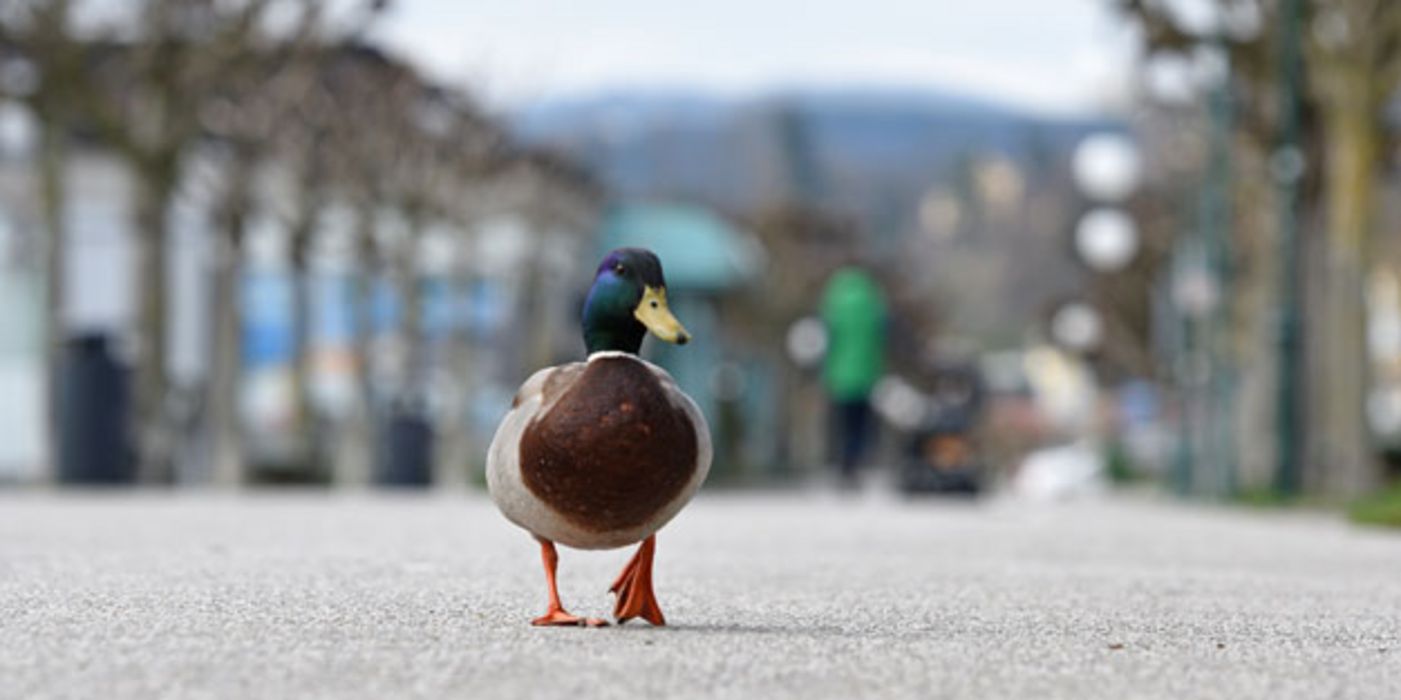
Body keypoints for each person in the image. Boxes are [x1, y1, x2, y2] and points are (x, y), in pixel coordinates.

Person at [819, 266, 888, 487]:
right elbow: (883, 334)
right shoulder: (872, 302)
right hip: (866, 376)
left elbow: (825, 338)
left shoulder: (834, 301)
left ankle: (842, 465)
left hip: (839, 376)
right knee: (860, 426)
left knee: (841, 424)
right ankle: (856, 464)